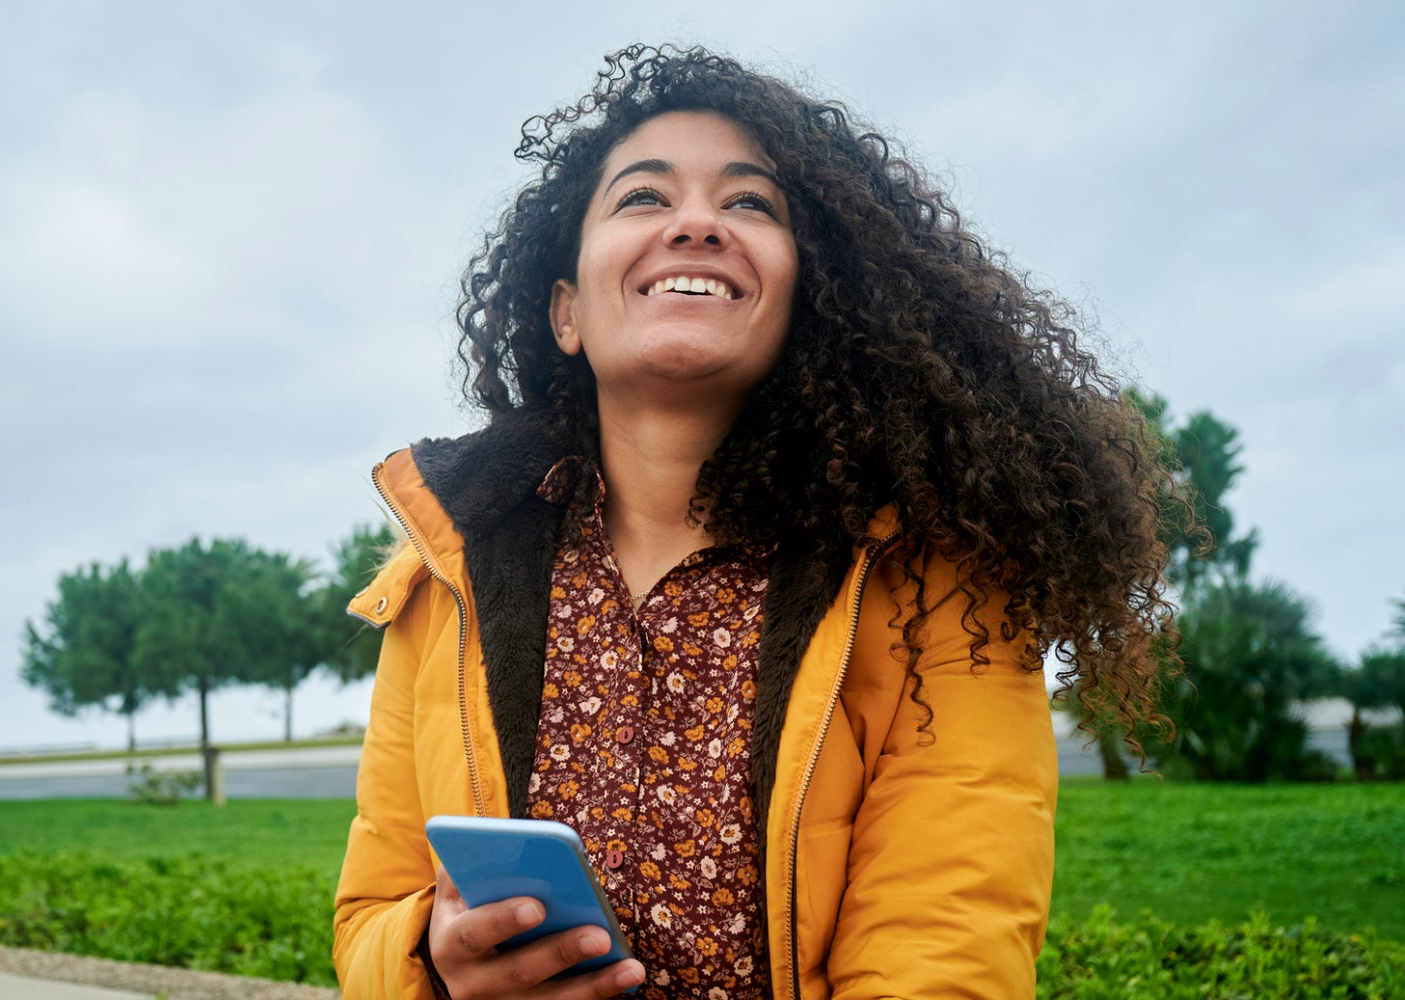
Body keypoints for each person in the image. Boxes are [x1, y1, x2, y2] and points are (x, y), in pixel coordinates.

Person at [333, 45, 1172, 1000]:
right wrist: (434, 965)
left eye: (749, 204)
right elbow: (368, 919)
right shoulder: (447, 574)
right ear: (566, 312)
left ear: (807, 303)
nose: (695, 223)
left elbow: (944, 956)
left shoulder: (940, 581)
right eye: (643, 198)